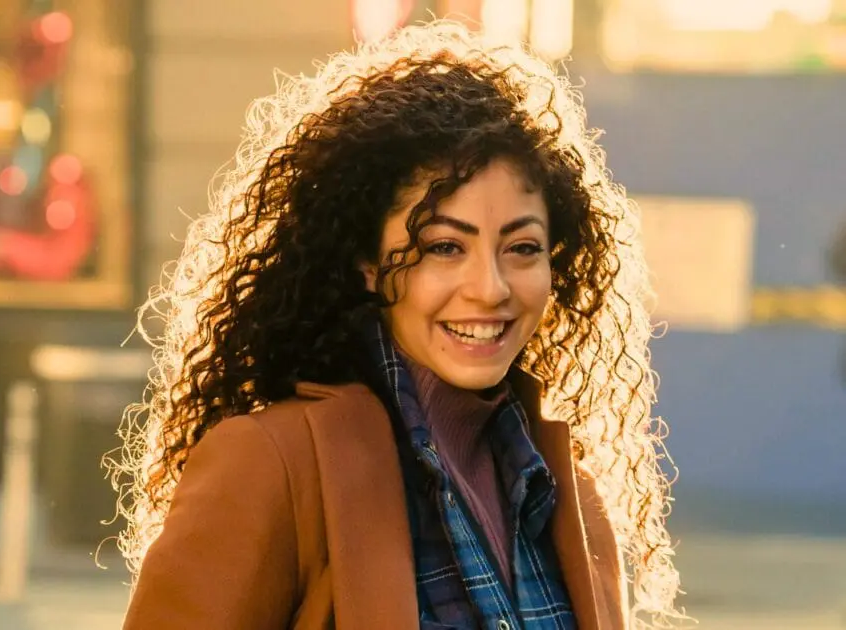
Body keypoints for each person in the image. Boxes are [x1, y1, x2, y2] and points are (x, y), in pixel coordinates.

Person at [113, 19, 681, 630]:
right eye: (442, 247)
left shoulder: (569, 494)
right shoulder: (273, 462)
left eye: (521, 248)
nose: (489, 288)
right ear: (365, 264)